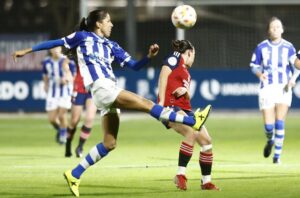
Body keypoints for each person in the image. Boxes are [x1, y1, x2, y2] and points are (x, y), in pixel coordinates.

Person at [12, 9, 211, 197]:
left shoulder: (112, 45)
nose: (112, 24)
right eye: (108, 21)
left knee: (109, 143)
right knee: (147, 104)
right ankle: (193, 121)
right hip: (102, 88)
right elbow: (54, 42)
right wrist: (27, 50)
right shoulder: (82, 37)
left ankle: (74, 174)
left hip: (105, 92)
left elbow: (134, 66)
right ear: (98, 24)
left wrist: (149, 57)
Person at [157, 40, 219, 191]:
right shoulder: (175, 58)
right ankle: (180, 175)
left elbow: (186, 97)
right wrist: (160, 103)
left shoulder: (186, 72)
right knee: (190, 133)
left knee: (207, 143)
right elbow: (163, 75)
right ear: (190, 53)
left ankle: (206, 182)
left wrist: (186, 92)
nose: (194, 58)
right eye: (194, 55)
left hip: (185, 110)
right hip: (170, 108)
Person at [250, 16, 297, 164]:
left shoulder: (289, 48)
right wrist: (259, 73)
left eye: (278, 26)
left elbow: (296, 66)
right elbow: (254, 65)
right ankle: (270, 140)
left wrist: (293, 79)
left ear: (282, 30)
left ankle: (277, 157)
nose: (276, 29)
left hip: (284, 87)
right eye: (273, 27)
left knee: (279, 122)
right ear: (269, 31)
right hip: (267, 88)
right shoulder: (261, 47)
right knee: (269, 127)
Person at [42, 46, 75, 144]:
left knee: (61, 115)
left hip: (65, 91)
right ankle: (62, 130)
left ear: (60, 49)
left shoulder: (66, 60)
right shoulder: (46, 62)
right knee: (52, 119)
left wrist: (67, 79)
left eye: (57, 48)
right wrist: (46, 84)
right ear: (50, 50)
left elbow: (73, 74)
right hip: (52, 92)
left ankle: (63, 136)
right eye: (53, 48)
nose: (55, 50)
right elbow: (45, 75)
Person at [65, 61, 98, 158]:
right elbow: (66, 61)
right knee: (74, 120)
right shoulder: (80, 49)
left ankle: (80, 147)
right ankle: (68, 143)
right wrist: (68, 73)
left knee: (90, 118)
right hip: (79, 87)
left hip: (93, 87)